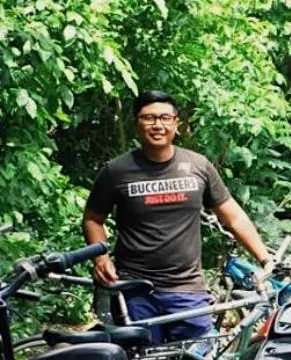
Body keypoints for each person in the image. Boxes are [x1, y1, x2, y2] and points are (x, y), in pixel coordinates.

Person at [83, 91, 272, 346]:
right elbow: (93, 218)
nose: (157, 125)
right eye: (148, 118)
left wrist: (264, 257)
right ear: (136, 123)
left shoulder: (198, 166)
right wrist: (101, 258)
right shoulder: (116, 171)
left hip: (187, 288)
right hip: (135, 289)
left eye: (164, 118)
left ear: (176, 123)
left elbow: (234, 216)